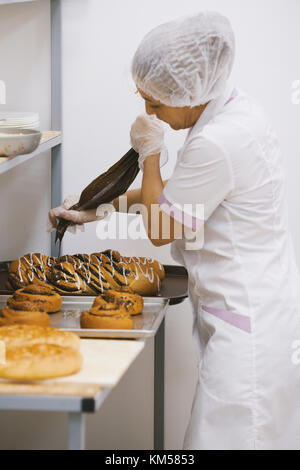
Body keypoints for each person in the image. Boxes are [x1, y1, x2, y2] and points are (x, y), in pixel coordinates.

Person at [48, 12, 300, 450]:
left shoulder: (218, 142)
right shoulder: (235, 112)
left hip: (251, 334)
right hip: (258, 312)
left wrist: (150, 154)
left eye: (157, 102)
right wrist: (97, 208)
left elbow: (162, 228)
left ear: (189, 91)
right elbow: (176, 203)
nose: (148, 110)